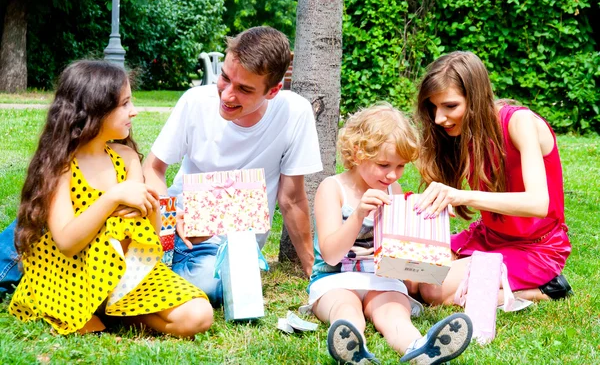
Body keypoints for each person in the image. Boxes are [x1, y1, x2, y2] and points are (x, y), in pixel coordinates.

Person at [9, 60, 213, 337]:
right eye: (125, 104)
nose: (135, 111)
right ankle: (102, 309)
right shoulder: (62, 167)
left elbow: (145, 235)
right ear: (95, 110)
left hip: (129, 273)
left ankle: (116, 313)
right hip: (73, 273)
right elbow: (67, 243)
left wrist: (154, 208)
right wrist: (113, 196)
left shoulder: (126, 158)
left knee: (199, 315)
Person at [142, 26, 323, 307]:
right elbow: (153, 168)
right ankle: (157, 271)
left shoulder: (295, 113)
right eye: (225, 78)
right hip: (177, 232)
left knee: (215, 285)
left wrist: (314, 271)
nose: (227, 95)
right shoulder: (195, 102)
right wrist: (167, 217)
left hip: (234, 247)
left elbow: (291, 198)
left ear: (273, 91)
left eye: (244, 89)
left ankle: (159, 278)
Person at [308, 103, 473, 365]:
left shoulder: (392, 190)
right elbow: (330, 255)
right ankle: (353, 349)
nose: (392, 175)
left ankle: (421, 349)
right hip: (335, 279)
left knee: (395, 313)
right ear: (357, 152)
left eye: (400, 166)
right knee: (346, 309)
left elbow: (399, 254)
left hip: (382, 278)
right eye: (384, 164)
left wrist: (430, 220)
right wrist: (358, 215)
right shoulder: (332, 188)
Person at [413, 51, 572, 306]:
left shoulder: (519, 122)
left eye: (450, 106)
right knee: (411, 275)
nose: (438, 118)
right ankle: (478, 285)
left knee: (433, 290)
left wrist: (460, 195)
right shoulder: (465, 129)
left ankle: (546, 289)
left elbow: (538, 203)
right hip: (489, 237)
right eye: (433, 107)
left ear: (475, 98)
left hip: (535, 248)